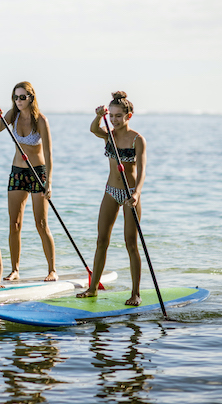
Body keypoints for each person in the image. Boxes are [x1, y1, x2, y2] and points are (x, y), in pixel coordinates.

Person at [77, 91, 146, 306]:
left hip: (130, 194)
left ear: (128, 116)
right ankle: (92, 289)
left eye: (118, 116)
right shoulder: (109, 134)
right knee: (101, 241)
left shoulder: (137, 139)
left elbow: (142, 171)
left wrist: (136, 194)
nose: (114, 120)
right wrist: (99, 115)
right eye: (112, 115)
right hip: (110, 191)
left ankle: (135, 293)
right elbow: (93, 129)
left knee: (131, 244)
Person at [0, 81, 57, 282]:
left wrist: (49, 182)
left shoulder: (41, 120)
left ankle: (52, 270)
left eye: (22, 97)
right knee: (14, 224)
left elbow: (48, 153)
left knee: (41, 223)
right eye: (15, 97)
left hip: (38, 173)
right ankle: (15, 270)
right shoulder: (13, 115)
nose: (18, 101)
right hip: (17, 173)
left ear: (31, 98)